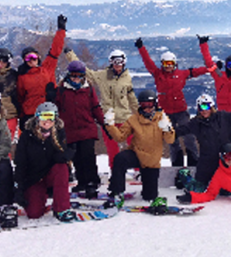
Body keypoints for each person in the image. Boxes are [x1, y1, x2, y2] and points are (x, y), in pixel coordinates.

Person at [135, 38, 214, 166]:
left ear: (175, 64)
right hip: (165, 113)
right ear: (162, 65)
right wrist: (141, 48)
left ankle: (193, 161)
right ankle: (176, 162)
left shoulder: (181, 74)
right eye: (166, 64)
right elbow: (148, 62)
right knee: (172, 139)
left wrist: (211, 68)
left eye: (171, 63)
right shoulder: (158, 74)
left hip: (181, 111)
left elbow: (195, 71)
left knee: (189, 136)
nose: (169, 66)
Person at [64, 48, 138, 171]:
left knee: (134, 144)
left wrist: (140, 112)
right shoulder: (103, 75)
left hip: (125, 117)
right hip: (109, 119)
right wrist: (70, 55)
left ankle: (137, 169)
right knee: (112, 147)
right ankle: (115, 170)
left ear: (124, 62)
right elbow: (86, 72)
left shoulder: (127, 77)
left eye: (120, 62)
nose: (117, 65)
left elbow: (131, 97)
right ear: (111, 62)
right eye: (115, 62)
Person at [105, 90, 175, 203]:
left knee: (149, 195)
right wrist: (110, 125)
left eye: (150, 104)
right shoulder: (134, 119)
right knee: (120, 159)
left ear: (155, 104)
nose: (147, 108)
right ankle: (117, 191)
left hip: (151, 161)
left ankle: (148, 193)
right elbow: (120, 137)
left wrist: (167, 129)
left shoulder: (162, 119)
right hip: (136, 154)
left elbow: (170, 140)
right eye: (144, 105)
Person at [13, 102, 77, 222]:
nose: (46, 121)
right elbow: (20, 163)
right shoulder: (27, 135)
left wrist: (66, 154)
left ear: (55, 118)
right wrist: (19, 188)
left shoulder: (59, 133)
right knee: (34, 213)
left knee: (61, 167)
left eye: (50, 117)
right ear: (37, 117)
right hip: (33, 178)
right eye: (43, 117)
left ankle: (61, 208)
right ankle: (41, 198)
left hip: (50, 175)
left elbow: (64, 152)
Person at [53, 60, 106, 197]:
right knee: (76, 157)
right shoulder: (61, 90)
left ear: (83, 76)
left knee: (88, 156)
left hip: (86, 127)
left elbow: (95, 107)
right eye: (73, 75)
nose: (76, 78)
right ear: (68, 75)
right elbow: (55, 108)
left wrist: (103, 123)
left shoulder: (88, 89)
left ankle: (92, 182)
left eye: (79, 76)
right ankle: (81, 182)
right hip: (69, 129)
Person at [17, 15, 67, 131]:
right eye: (27, 58)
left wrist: (61, 30)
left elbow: (55, 50)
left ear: (38, 57)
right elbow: (20, 96)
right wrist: (21, 115)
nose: (31, 60)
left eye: (33, 57)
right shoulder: (22, 77)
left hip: (48, 110)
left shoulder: (47, 68)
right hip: (30, 112)